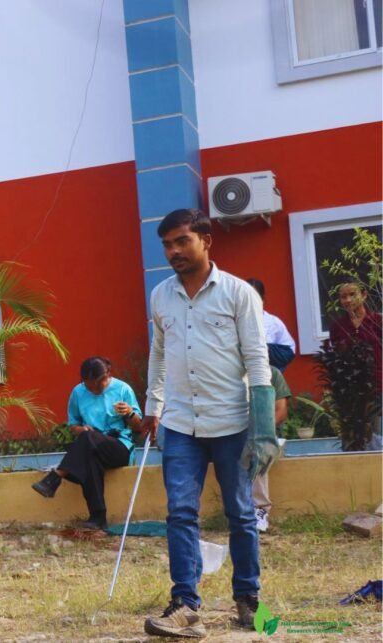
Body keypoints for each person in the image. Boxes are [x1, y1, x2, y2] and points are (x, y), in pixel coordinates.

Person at [138, 208, 276, 638]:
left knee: (241, 513)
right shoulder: (160, 295)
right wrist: (152, 405)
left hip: (231, 422)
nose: (173, 251)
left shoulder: (238, 294)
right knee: (180, 512)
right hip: (180, 424)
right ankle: (185, 605)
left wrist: (264, 427)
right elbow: (159, 353)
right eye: (167, 244)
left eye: (182, 241)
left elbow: (257, 360)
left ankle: (247, 599)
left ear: (205, 240)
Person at [31, 356, 142, 529]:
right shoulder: (77, 392)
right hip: (91, 446)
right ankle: (98, 517)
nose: (95, 389)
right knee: (89, 455)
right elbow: (73, 425)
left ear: (107, 376)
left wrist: (129, 412)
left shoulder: (122, 389)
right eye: (90, 386)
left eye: (99, 384)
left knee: (88, 439)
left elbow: (139, 426)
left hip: (119, 447)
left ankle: (57, 476)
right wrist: (81, 430)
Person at [251, 366, 290, 533]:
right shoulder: (226, 371)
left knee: (257, 450)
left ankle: (260, 510)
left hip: (265, 435)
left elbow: (281, 411)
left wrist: (258, 431)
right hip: (233, 432)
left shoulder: (271, 373)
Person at [328, 282, 382, 394]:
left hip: (378, 384)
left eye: (352, 294)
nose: (348, 300)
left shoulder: (378, 321)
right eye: (343, 297)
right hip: (350, 387)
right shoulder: (337, 326)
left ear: (364, 295)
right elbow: (336, 357)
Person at [246, 278, 296, 370]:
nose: (251, 302)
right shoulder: (233, 320)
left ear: (263, 300)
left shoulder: (272, 322)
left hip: (269, 367)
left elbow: (290, 350)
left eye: (255, 297)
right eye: (246, 297)